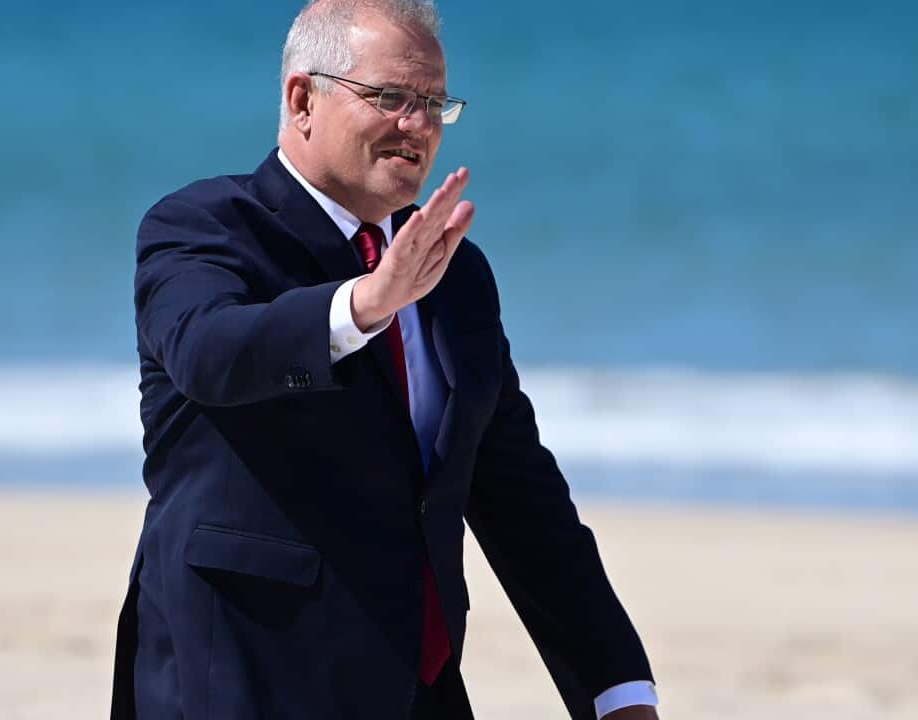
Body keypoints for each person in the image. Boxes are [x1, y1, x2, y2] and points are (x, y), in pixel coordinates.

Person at [111, 1, 660, 718]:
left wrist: (614, 689)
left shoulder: (453, 273)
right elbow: (209, 354)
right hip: (242, 684)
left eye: (434, 103)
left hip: (416, 691)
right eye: (392, 98)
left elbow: (521, 497)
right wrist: (361, 308)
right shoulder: (203, 227)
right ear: (303, 99)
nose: (419, 125)